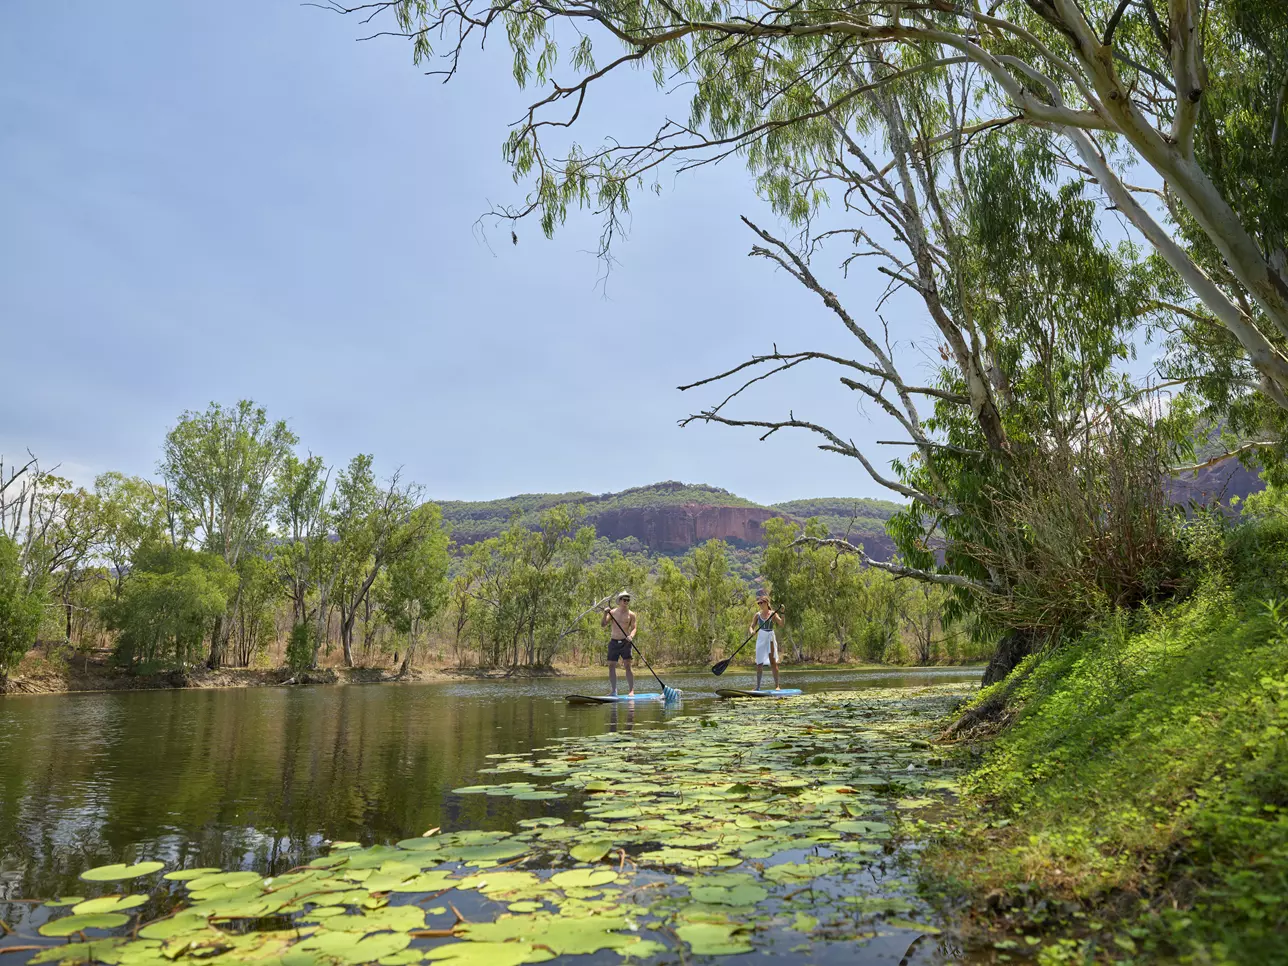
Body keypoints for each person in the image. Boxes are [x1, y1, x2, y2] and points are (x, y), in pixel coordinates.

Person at [601, 591, 638, 696]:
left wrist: (631, 636)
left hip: (626, 643)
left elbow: (634, 628)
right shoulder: (612, 612)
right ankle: (614, 691)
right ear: (620, 601)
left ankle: (631, 690)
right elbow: (603, 624)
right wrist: (605, 613)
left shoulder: (631, 614)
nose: (626, 601)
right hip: (614, 642)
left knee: (627, 665)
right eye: (624, 599)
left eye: (628, 600)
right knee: (611, 666)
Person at [749, 595, 784, 691]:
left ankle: (777, 686)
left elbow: (781, 624)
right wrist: (752, 631)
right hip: (761, 637)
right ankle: (758, 687)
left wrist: (782, 613)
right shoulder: (757, 615)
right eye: (759, 603)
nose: (760, 604)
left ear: (767, 603)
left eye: (761, 602)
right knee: (759, 663)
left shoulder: (773, 614)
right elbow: (751, 626)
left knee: (773, 662)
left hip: (770, 637)